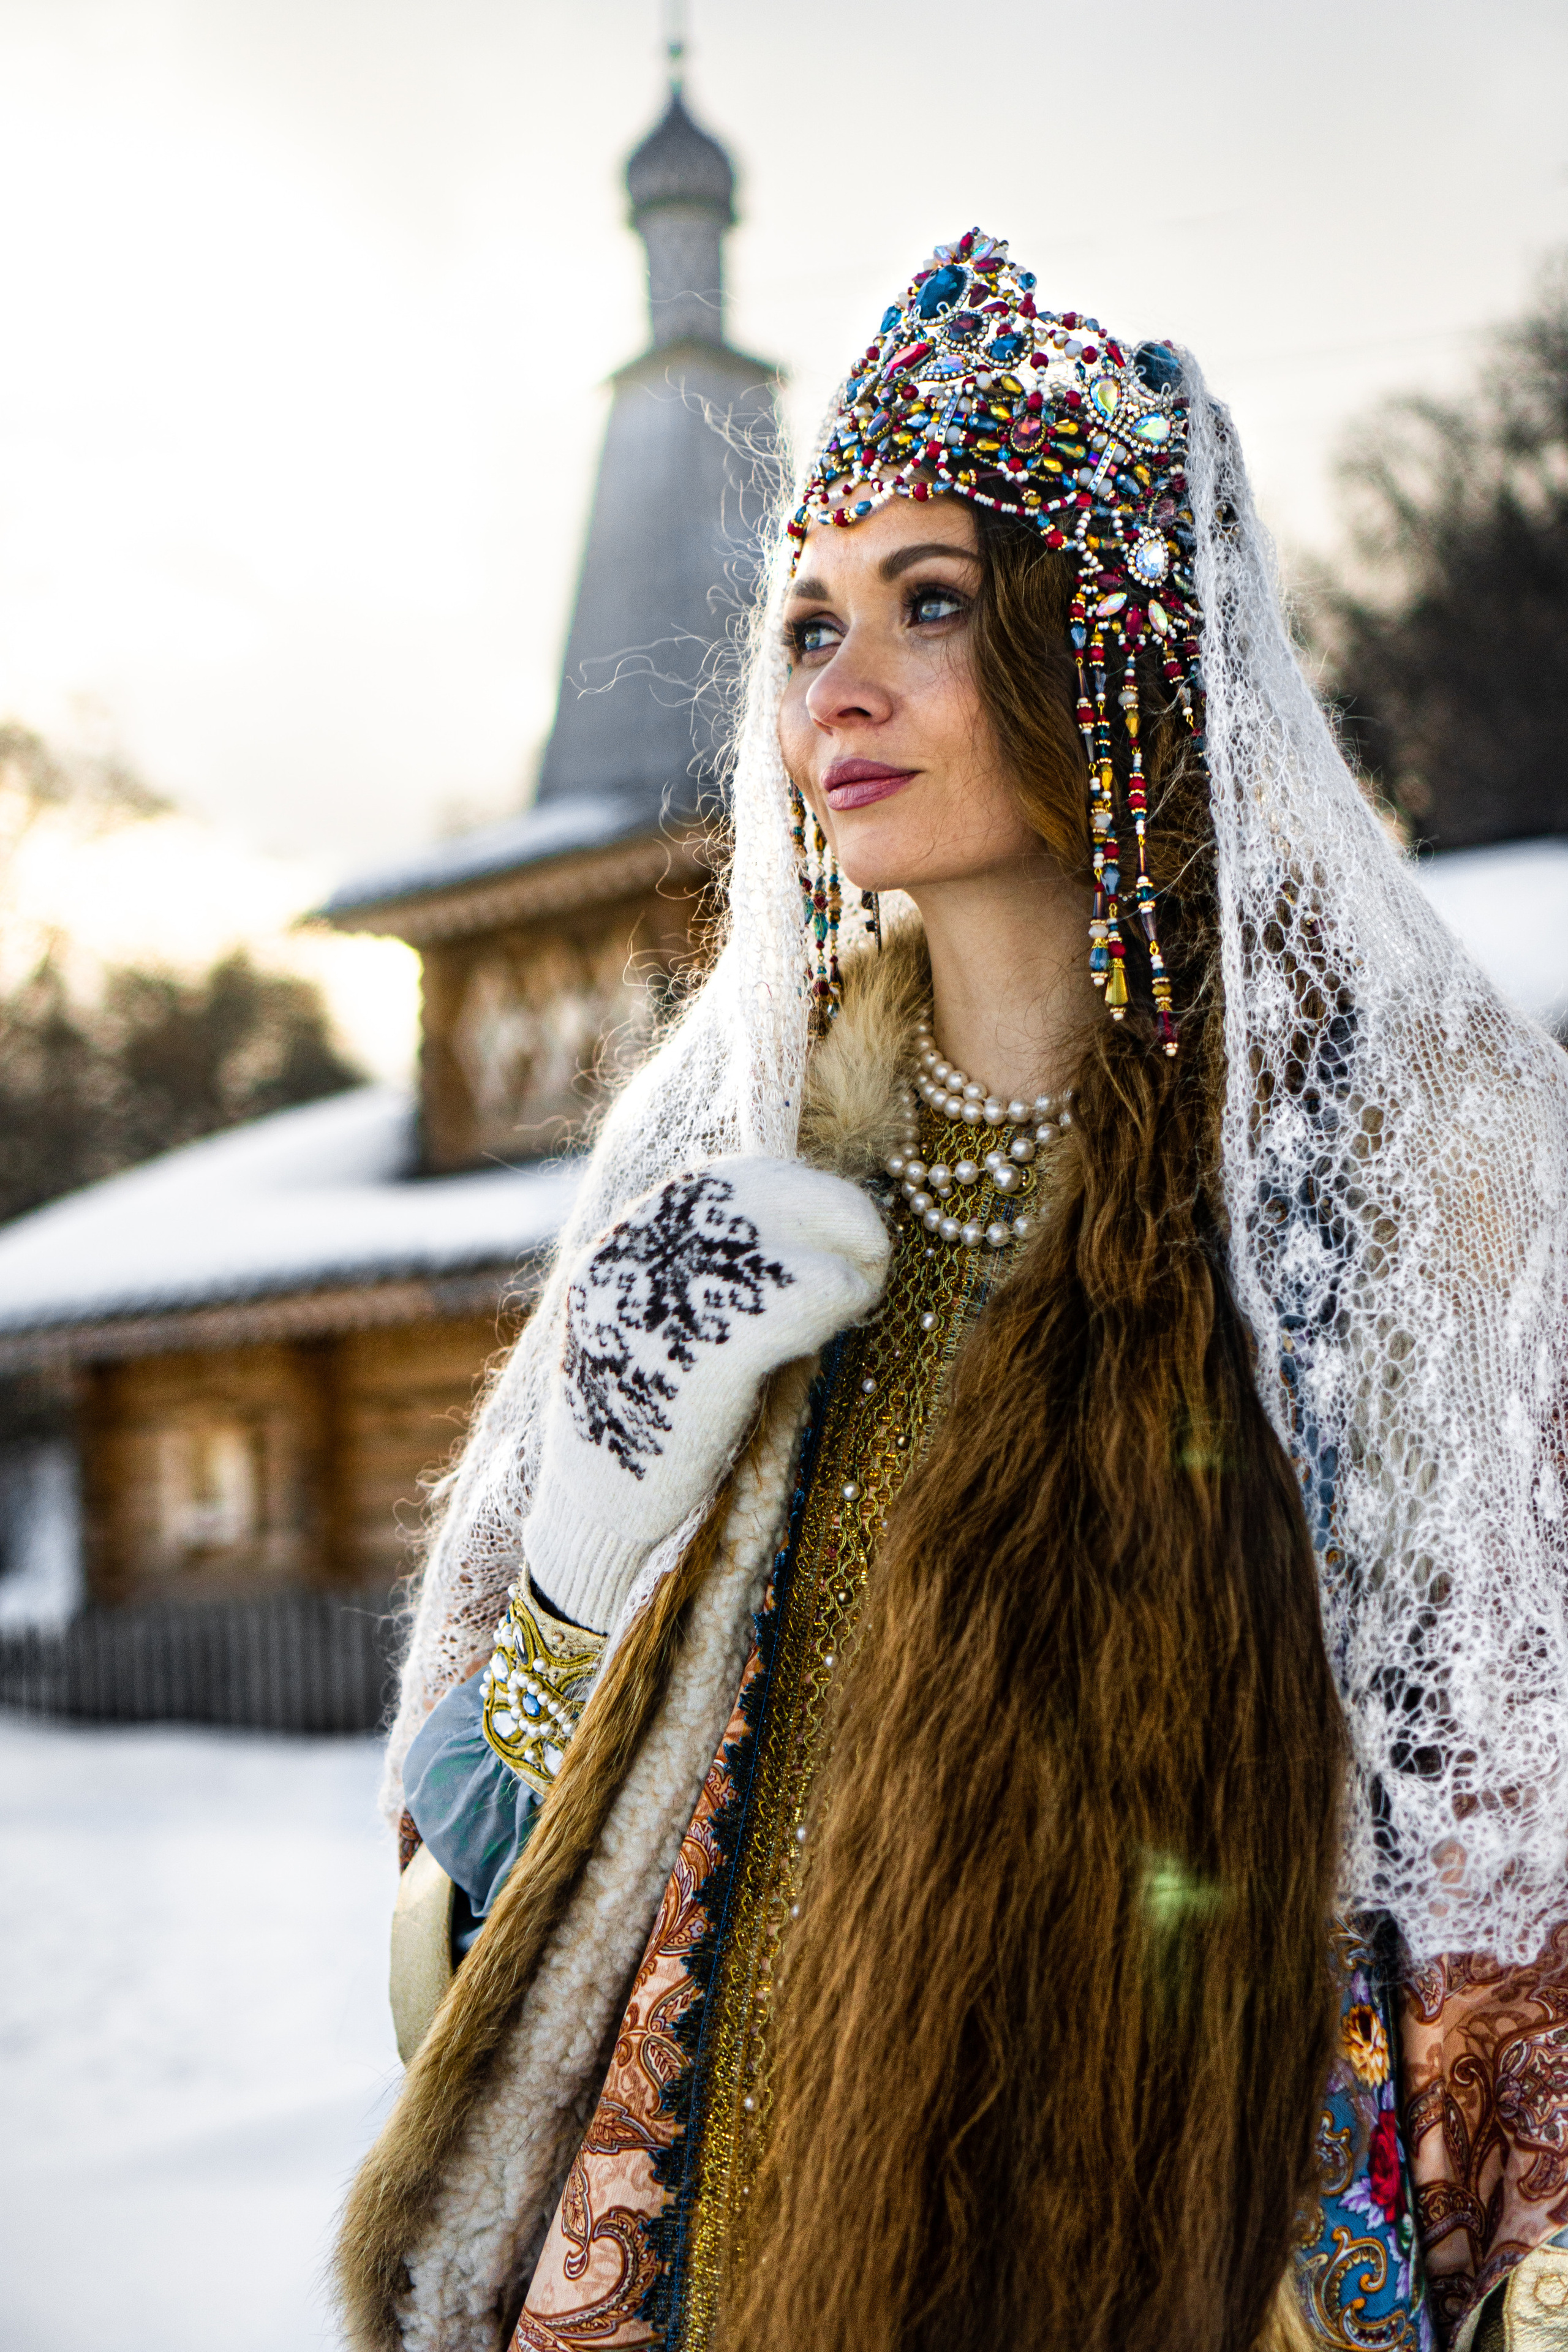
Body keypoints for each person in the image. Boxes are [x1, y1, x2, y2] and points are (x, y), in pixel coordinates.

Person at [337, 232, 1568, 2352]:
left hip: (1187, 2203)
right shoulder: (733, 1166)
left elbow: (1511, 1831)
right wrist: (579, 1557)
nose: (841, 687)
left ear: (1114, 639)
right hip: (755, 2181)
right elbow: (450, 1942)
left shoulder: (1389, 1157)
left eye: (932, 601)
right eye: (808, 623)